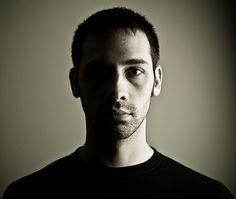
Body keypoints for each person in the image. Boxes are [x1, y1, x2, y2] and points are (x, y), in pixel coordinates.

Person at [2, 7, 234, 199]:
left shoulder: (210, 198)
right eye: (99, 73)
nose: (117, 91)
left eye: (135, 71)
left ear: (157, 81)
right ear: (75, 82)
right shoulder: (24, 197)